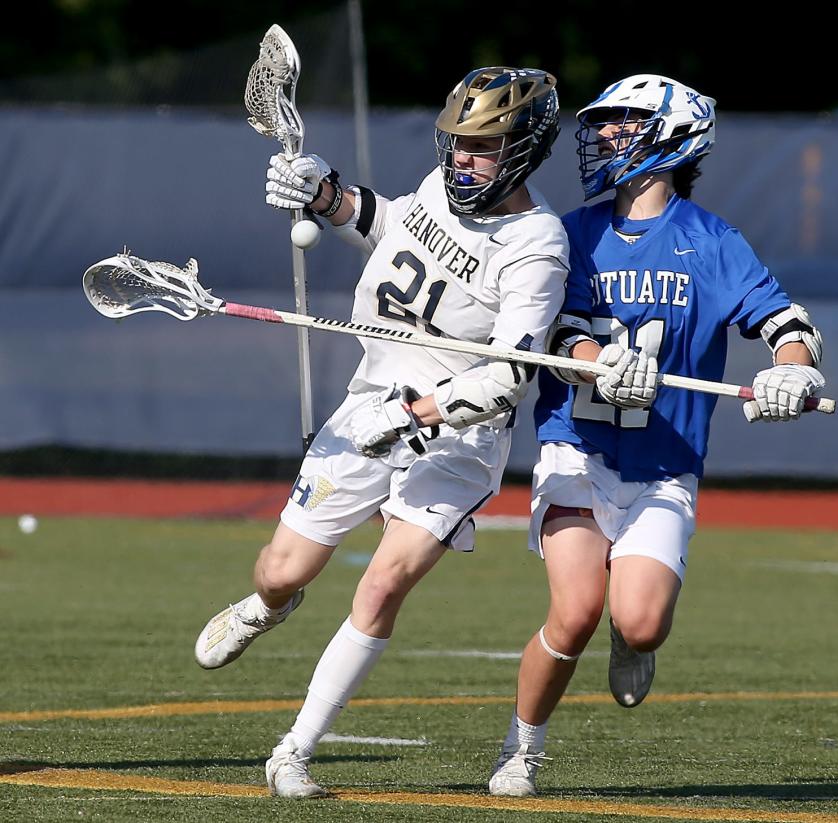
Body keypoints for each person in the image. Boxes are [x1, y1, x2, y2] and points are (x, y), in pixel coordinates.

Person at [193, 67, 569, 798]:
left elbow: (508, 378)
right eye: (457, 142)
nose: (462, 159)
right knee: (281, 570)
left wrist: (408, 414)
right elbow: (386, 225)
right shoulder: (438, 188)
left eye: (483, 147)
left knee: (383, 583)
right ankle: (269, 606)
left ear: (524, 149)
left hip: (455, 437)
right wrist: (325, 192)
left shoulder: (536, 245)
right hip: (369, 396)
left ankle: (293, 750)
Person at [488, 74, 827, 797]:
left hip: (664, 462)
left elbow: (785, 325)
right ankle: (523, 748)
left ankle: (630, 634)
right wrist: (597, 365)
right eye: (606, 124)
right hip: (575, 445)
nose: (607, 135)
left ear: (674, 138)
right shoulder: (571, 232)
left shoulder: (710, 241)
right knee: (573, 609)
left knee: (638, 623)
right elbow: (558, 330)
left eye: (625, 124)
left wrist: (790, 373)